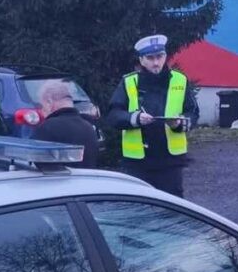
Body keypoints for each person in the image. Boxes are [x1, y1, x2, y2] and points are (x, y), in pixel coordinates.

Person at [107, 34, 199, 197]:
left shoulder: (180, 80)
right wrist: (134, 119)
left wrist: (179, 124)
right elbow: (113, 115)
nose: (156, 63)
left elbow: (192, 113)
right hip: (138, 162)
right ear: (141, 60)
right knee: (140, 209)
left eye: (160, 56)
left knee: (173, 209)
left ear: (165, 56)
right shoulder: (129, 82)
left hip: (170, 161)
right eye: (150, 58)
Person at [31, 79, 99, 168]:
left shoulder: (47, 128)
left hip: (57, 181)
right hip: (85, 180)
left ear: (49, 101)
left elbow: (38, 164)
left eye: (42, 105)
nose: (42, 110)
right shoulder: (89, 128)